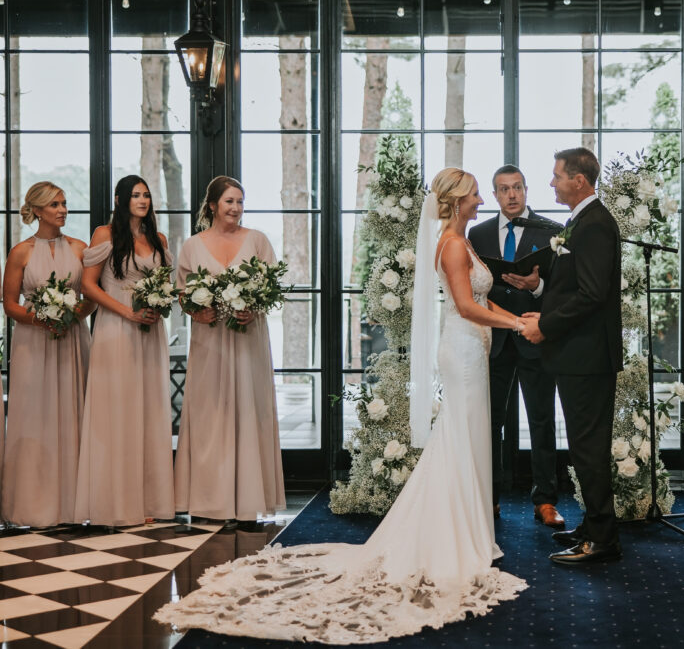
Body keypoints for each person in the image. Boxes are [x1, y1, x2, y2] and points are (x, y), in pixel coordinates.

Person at [155, 168, 527, 643]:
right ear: (458, 201)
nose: (482, 198)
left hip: (473, 347)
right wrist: (518, 324)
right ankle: (457, 535)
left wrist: (511, 318)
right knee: (459, 437)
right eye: (475, 192)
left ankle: (472, 532)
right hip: (463, 349)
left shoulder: (463, 240)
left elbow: (479, 300)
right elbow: (466, 304)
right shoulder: (453, 246)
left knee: (469, 438)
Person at [520, 147, 624, 565]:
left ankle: (602, 540)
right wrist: (539, 293)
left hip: (588, 358)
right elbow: (574, 289)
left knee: (589, 449)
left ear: (578, 179)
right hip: (578, 356)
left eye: (557, 175)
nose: (552, 182)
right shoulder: (581, 221)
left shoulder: (596, 224)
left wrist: (545, 326)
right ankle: (594, 526)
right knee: (584, 448)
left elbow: (593, 295)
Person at [173, 176, 285, 523]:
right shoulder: (193, 245)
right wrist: (196, 310)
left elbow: (270, 288)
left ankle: (248, 497)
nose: (236, 208)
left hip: (247, 338)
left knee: (249, 409)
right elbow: (181, 293)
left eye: (240, 201)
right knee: (210, 414)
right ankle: (210, 498)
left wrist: (254, 308)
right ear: (212, 206)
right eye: (229, 202)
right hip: (210, 340)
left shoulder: (258, 241)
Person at [74, 175, 175, 527]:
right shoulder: (105, 234)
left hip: (150, 331)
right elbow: (88, 285)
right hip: (116, 329)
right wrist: (126, 312)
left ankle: (149, 498)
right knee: (117, 410)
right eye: (135, 195)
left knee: (148, 409)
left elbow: (166, 286)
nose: (142, 200)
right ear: (120, 199)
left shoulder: (158, 239)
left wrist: (158, 308)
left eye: (146, 195)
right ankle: (114, 501)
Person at [467, 164, 562, 528]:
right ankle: (489, 499)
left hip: (535, 339)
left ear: (526, 190)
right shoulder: (477, 233)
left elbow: (562, 290)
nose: (511, 195)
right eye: (504, 189)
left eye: (517, 187)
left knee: (541, 421)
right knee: (490, 424)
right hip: (492, 342)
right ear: (494, 194)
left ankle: (546, 501)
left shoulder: (552, 232)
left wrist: (536, 287)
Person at [1, 181, 94, 528]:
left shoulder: (80, 248)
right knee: (35, 416)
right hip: (32, 343)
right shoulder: (20, 252)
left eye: (65, 203)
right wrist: (42, 318)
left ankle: (75, 503)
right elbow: (10, 305)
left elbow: (89, 297)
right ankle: (34, 504)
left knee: (74, 412)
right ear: (37, 211)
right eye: (54, 205)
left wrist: (70, 317)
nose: (63, 210)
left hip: (71, 340)